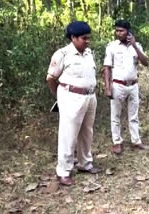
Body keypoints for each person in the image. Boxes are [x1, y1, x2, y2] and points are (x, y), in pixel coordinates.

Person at [46, 21, 102, 186]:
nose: (87, 41)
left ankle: (85, 163)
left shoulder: (89, 53)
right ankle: (63, 171)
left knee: (87, 132)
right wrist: (60, 96)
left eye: (88, 38)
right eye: (84, 38)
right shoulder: (62, 54)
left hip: (90, 97)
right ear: (73, 38)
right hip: (71, 97)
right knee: (68, 135)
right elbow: (50, 78)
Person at [103, 20, 149, 155]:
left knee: (133, 115)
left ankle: (136, 141)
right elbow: (107, 68)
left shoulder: (137, 46)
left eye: (121, 31)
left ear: (128, 31)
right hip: (118, 85)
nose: (118, 33)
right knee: (115, 115)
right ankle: (117, 142)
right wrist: (107, 87)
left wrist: (135, 46)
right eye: (117, 30)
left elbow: (145, 62)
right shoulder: (112, 47)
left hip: (133, 85)